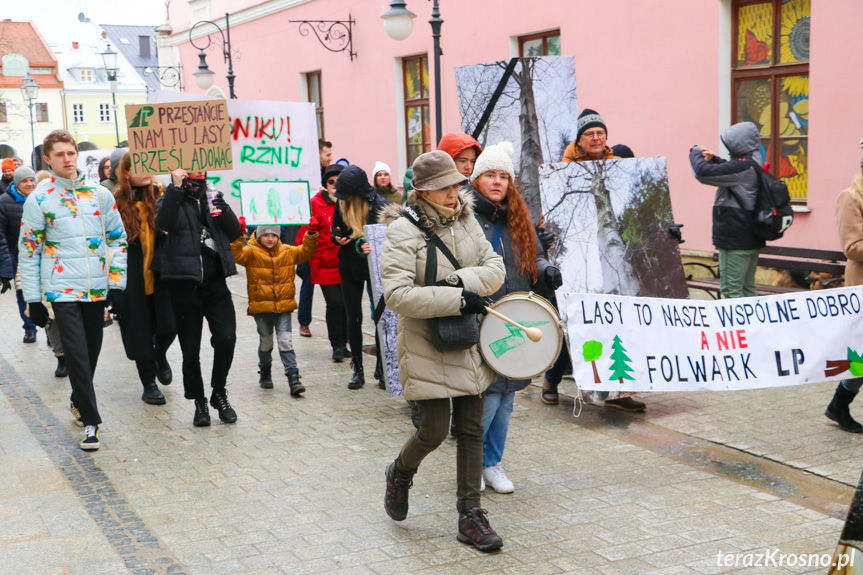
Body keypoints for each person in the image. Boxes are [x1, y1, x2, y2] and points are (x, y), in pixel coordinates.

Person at [380, 150, 506, 551]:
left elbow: (495, 267)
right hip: (424, 343)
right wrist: (456, 295)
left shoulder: (468, 218)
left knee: (471, 430)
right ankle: (400, 472)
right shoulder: (403, 231)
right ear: (423, 192)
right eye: (443, 187)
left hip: (468, 337)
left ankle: (470, 515)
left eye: (455, 184)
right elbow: (397, 295)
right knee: (433, 431)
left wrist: (462, 281)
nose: (453, 192)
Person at [19, 129, 128, 451]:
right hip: (60, 289)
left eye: (71, 153)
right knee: (77, 354)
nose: (67, 159)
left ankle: (78, 399)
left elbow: (119, 240)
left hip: (95, 288)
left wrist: (117, 283)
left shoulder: (100, 195)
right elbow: (29, 251)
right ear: (48, 160)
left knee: (91, 353)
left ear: (76, 155)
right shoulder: (38, 199)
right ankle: (92, 423)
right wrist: (32, 299)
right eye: (59, 155)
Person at [466, 142, 562, 493]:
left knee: (507, 399)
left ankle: (493, 463)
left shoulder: (518, 217)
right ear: (477, 180)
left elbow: (533, 257)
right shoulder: (465, 217)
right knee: (487, 396)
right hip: (482, 316)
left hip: (517, 314)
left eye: (503, 176)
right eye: (490, 174)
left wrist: (547, 270)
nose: (497, 181)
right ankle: (472, 464)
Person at [548, 109, 646, 412]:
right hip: (578, 254)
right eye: (589, 133)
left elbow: (633, 203)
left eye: (600, 132)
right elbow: (552, 211)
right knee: (577, 327)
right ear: (579, 139)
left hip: (612, 250)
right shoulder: (561, 171)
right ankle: (551, 379)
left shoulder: (618, 167)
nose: (595, 137)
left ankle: (620, 392)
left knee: (618, 325)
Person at [152, 169, 243, 427]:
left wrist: (222, 208)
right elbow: (163, 224)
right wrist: (176, 188)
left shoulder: (214, 196)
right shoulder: (169, 198)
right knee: (190, 350)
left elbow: (235, 232)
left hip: (215, 284)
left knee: (226, 338)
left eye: (201, 165)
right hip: (184, 285)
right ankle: (199, 401)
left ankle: (218, 392)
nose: (197, 168)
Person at [113, 153, 176, 406]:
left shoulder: (160, 196)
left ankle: (160, 354)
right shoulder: (115, 201)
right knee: (139, 334)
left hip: (161, 277)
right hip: (132, 281)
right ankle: (148, 384)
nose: (148, 170)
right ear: (126, 173)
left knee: (170, 327)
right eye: (140, 167)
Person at [231, 220, 319, 395]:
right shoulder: (251, 252)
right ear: (259, 235)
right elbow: (237, 255)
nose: (270, 239)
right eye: (266, 235)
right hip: (262, 307)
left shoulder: (287, 251)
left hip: (283, 306)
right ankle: (265, 371)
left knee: (286, 341)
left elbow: (306, 252)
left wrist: (311, 234)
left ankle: (293, 378)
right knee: (266, 343)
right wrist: (239, 235)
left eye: (274, 235)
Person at [689, 121, 765, 299]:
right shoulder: (753, 161)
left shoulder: (743, 166)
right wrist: (715, 160)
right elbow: (729, 170)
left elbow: (701, 172)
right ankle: (752, 327)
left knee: (732, 292)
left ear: (739, 144)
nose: (729, 149)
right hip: (748, 237)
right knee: (746, 290)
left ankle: (739, 327)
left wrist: (695, 153)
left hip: (735, 240)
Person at [331, 165, 389, 389]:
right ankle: (358, 369)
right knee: (353, 318)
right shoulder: (341, 203)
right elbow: (335, 227)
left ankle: (382, 367)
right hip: (348, 265)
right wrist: (337, 237)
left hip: (373, 267)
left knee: (380, 316)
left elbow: (388, 240)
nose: (343, 200)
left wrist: (371, 245)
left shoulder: (379, 206)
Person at [826, 137, 863, 433]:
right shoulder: (850, 197)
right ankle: (840, 403)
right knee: (861, 356)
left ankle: (838, 404)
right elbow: (852, 248)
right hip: (862, 289)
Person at [297, 164, 349, 362]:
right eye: (331, 182)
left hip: (346, 263)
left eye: (338, 182)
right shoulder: (315, 203)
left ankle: (344, 343)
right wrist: (302, 257)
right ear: (325, 185)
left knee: (346, 304)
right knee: (335, 303)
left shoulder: (349, 202)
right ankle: (336, 345)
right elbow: (305, 232)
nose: (335, 186)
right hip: (324, 264)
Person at [0, 166, 39, 343]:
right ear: (17, 183)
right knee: (23, 293)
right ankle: (29, 328)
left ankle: (49, 330)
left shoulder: (42, 198)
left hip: (43, 256)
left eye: (32, 180)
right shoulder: (4, 202)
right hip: (19, 258)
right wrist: (6, 268)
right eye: (25, 181)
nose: (30, 183)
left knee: (46, 295)